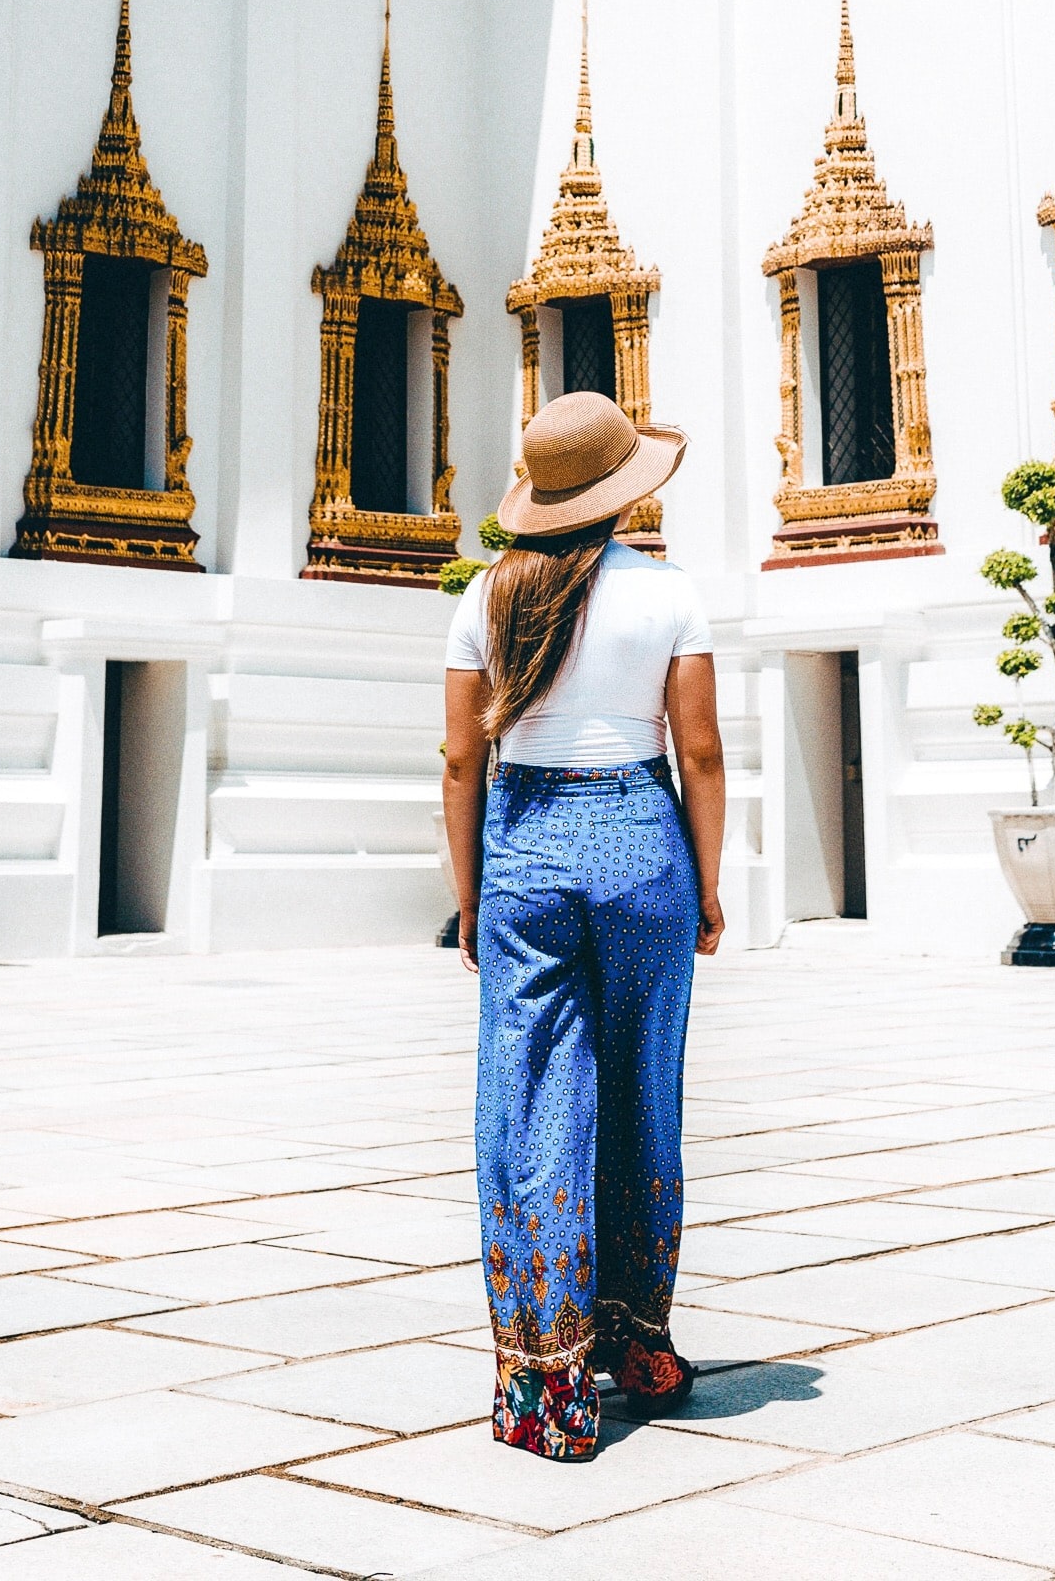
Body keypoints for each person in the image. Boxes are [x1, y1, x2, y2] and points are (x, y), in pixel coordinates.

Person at [443, 391, 726, 1464]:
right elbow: (696, 753)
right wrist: (703, 882)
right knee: (639, 1085)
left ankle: (546, 1384)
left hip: (524, 841)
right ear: (622, 493)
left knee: (530, 1097)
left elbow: (462, 759)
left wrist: (473, 895)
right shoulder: (667, 594)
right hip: (640, 839)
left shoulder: (485, 596)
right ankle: (639, 1342)